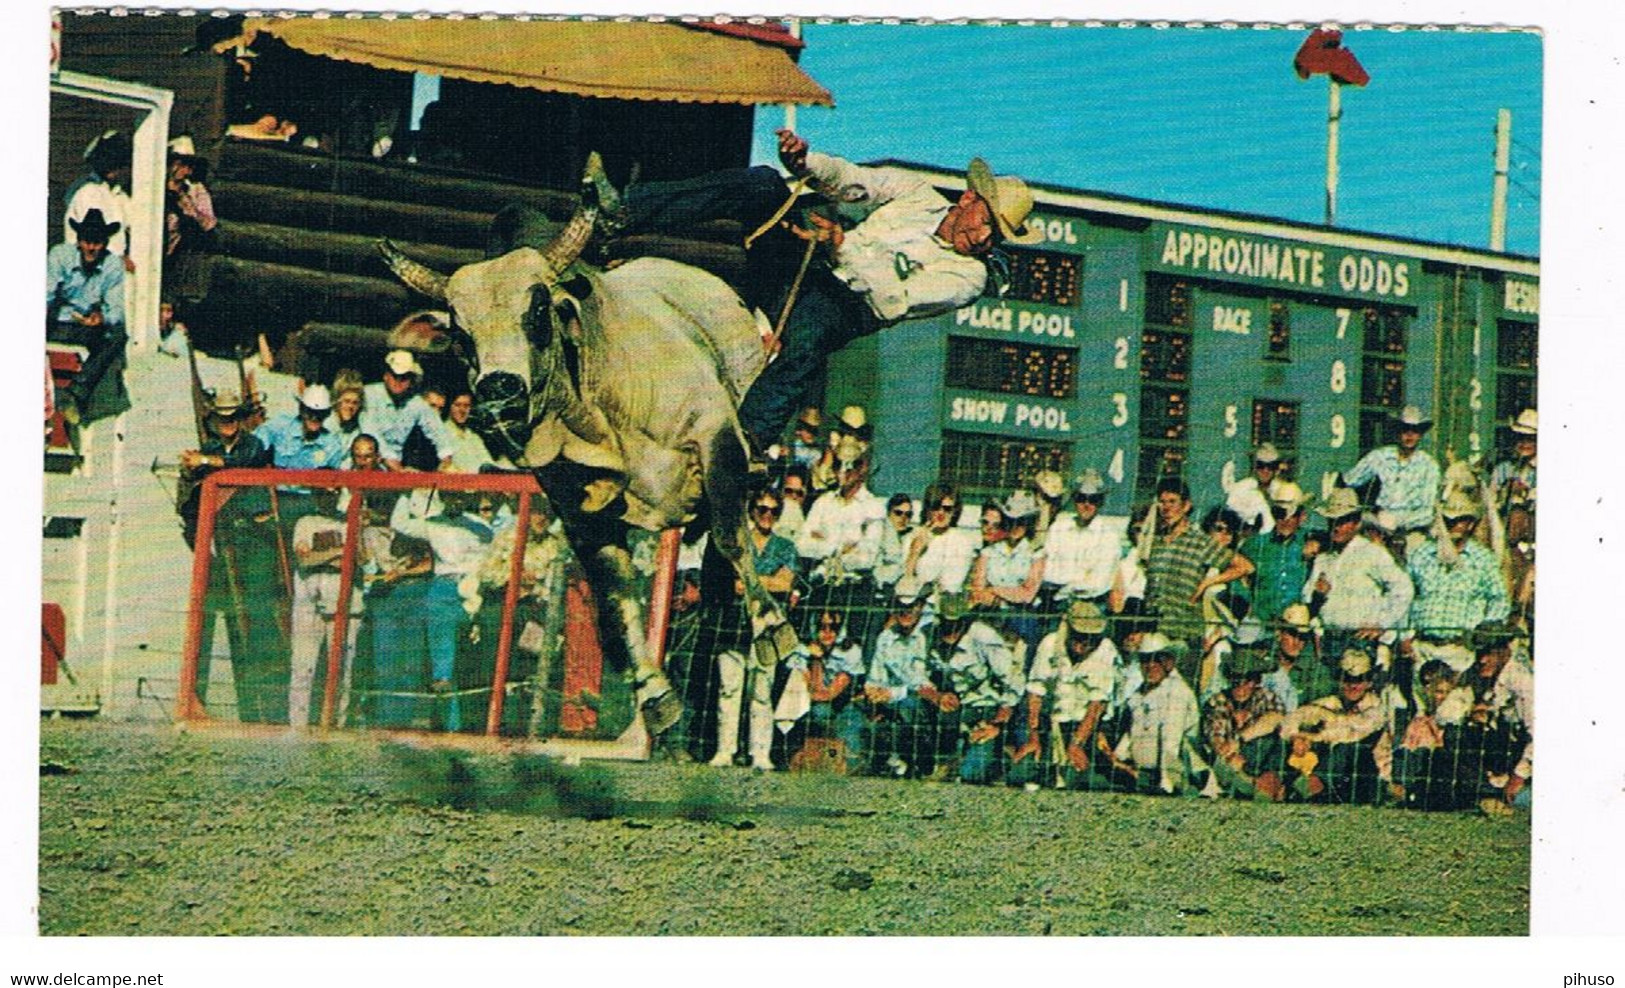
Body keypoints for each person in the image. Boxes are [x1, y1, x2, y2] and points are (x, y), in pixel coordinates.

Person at [587, 131, 1041, 447]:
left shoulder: (970, 278)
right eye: (987, 223)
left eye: (996, 236)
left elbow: (893, 299)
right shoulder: (917, 194)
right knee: (763, 183)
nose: (984, 239)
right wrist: (807, 163)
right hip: (809, 266)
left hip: (846, 307)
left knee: (810, 333)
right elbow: (856, 180)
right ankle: (622, 213)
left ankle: (747, 445)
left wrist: (842, 247)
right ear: (968, 200)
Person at [708, 489, 799, 769]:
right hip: (734, 622)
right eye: (762, 509)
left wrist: (750, 581)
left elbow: (785, 584)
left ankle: (760, 752)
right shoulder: (737, 542)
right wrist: (766, 580)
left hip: (766, 624)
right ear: (751, 511)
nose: (767, 515)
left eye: (774, 510)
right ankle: (726, 749)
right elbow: (729, 583)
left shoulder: (785, 546)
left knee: (762, 689)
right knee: (730, 687)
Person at [1144, 478, 1255, 683]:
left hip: (1185, 634)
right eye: (1162, 502)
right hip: (1157, 630)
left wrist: (1206, 583)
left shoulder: (1199, 541)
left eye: (1172, 502)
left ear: (1186, 506)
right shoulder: (1157, 541)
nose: (1166, 508)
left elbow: (1245, 566)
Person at [1012, 599, 1123, 790]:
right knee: (1020, 775)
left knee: (1080, 782)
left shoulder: (1106, 650)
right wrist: (1033, 736)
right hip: (1052, 723)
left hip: (1089, 727)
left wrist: (1076, 744)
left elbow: (1097, 705)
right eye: (1079, 636)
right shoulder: (1050, 643)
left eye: (1090, 638)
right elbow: (1036, 693)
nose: (1084, 644)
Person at [1404, 490, 1511, 687]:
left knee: (1455, 707)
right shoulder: (1421, 554)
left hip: (1461, 649)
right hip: (1423, 647)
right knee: (1422, 707)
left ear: (1470, 523)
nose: (1452, 525)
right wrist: (1405, 635)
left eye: (1459, 520)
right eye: (1447, 519)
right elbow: (1405, 594)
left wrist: (1483, 632)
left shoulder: (1483, 559)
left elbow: (1499, 599)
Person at [1305, 487, 1413, 664]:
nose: (1336, 527)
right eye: (1332, 521)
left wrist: (1382, 623)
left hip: (1359, 639)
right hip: (1329, 639)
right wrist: (1317, 597)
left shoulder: (1372, 553)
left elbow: (1404, 588)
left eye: (1342, 521)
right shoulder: (1323, 558)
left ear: (1356, 523)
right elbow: (1308, 596)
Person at [287, 491, 366, 727]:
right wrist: (340, 551)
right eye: (322, 493)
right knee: (303, 665)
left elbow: (360, 559)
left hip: (345, 600)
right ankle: (298, 724)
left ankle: (336, 723)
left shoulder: (351, 521)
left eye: (332, 492)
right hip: (309, 600)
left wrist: (327, 556)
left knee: (342, 666)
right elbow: (305, 559)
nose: (326, 498)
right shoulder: (306, 522)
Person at [931, 593, 1026, 785]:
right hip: (953, 706)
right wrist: (937, 695)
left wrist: (996, 724)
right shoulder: (932, 635)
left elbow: (1013, 680)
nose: (951, 630)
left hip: (989, 709)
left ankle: (1003, 750)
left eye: (957, 623)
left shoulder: (983, 636)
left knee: (971, 775)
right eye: (947, 623)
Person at [1280, 648, 1394, 804]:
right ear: (1340, 680)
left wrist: (1313, 736)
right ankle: (1278, 786)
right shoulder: (1330, 702)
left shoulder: (1377, 707)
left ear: (1368, 682)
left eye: (1359, 680)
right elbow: (1293, 717)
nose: (1353, 686)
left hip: (1367, 776)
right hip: (1332, 773)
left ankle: (1300, 790)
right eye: (1347, 679)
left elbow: (1352, 734)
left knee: (1345, 749)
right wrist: (1295, 737)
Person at [46, 209, 127, 425]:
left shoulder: (112, 265)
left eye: (97, 242)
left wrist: (102, 318)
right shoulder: (60, 255)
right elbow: (45, 294)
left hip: (85, 328)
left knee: (118, 334)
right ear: (79, 241)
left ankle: (76, 392)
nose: (91, 248)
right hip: (55, 322)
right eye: (87, 241)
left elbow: (116, 311)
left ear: (105, 243)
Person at [1101, 633, 1203, 795]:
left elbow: (1172, 740)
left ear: (1169, 662)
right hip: (1141, 772)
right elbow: (1133, 729)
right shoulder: (1140, 692)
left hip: (1175, 775)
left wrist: (1166, 784)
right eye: (1145, 660)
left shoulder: (1177, 692)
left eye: (1157, 660)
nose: (1150, 665)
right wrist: (1117, 757)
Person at [861, 583, 945, 777]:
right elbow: (876, 672)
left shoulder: (930, 633)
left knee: (908, 706)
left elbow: (924, 682)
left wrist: (891, 693)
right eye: (900, 606)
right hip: (892, 695)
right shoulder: (886, 636)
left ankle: (922, 764)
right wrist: (873, 690)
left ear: (922, 605)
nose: (906, 611)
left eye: (912, 606)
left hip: (924, 698)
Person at [1456, 620, 1533, 815]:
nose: (1481, 660)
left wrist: (1518, 776)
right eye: (1479, 654)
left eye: (1487, 654)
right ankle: (1488, 794)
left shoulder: (1522, 682)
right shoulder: (1496, 678)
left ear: (1503, 651)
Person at [1342, 405, 1443, 546]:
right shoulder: (1381, 456)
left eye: (1415, 431)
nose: (1410, 435)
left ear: (1420, 434)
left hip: (1413, 531)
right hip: (1380, 525)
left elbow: (1427, 509)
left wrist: (1400, 523)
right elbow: (1350, 480)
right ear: (1397, 432)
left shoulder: (1429, 466)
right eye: (1405, 429)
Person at [1200, 644, 1287, 800]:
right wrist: (1232, 753)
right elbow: (1218, 742)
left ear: (1256, 680)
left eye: (1247, 680)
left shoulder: (1267, 697)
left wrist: (1240, 738)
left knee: (1273, 742)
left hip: (1262, 761)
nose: (1241, 686)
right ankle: (1257, 787)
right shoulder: (1216, 702)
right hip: (1232, 765)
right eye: (1236, 679)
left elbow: (1276, 718)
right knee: (1224, 764)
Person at [968, 490, 1046, 658]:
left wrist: (994, 590)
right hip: (991, 618)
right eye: (1012, 520)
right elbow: (978, 591)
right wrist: (1006, 594)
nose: (1016, 526)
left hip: (1021, 620)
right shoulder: (989, 552)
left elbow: (1027, 594)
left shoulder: (1036, 554)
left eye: (1021, 521)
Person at [1038, 469, 1128, 611]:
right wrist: (1080, 576)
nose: (1086, 504)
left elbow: (1099, 582)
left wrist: (1066, 584)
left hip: (1090, 606)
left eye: (1093, 499)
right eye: (1081, 498)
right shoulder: (1059, 528)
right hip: (1054, 603)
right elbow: (1048, 571)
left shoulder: (1109, 535)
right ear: (1074, 500)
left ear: (1100, 502)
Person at [791, 608, 868, 773]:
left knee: (849, 727)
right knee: (817, 713)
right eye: (821, 627)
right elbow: (811, 691)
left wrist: (816, 660)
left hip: (846, 702)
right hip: (811, 705)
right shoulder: (801, 650)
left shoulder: (851, 650)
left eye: (833, 628)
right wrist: (816, 659)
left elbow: (828, 694)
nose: (827, 632)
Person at [1238, 480, 1317, 628]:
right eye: (1280, 513)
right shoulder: (1255, 545)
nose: (1285, 520)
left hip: (1296, 628)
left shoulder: (1310, 542)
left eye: (1291, 515)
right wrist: (1247, 602)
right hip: (1261, 624)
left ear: (1302, 516)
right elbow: (1235, 574)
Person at [363, 347, 451, 471]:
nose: (398, 382)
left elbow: (436, 429)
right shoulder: (369, 395)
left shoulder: (415, 402)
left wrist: (446, 459)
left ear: (411, 380)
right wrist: (393, 464)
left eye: (404, 377)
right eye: (395, 376)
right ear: (386, 375)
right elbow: (371, 432)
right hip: (366, 463)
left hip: (396, 467)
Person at [64, 130, 132, 265]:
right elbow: (90, 237)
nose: (114, 167)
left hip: (113, 270)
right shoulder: (87, 190)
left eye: (118, 161)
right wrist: (117, 258)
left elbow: (134, 225)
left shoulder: (119, 194)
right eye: (109, 160)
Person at [903, 481, 979, 600]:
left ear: (955, 511)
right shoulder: (912, 537)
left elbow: (952, 584)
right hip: (911, 606)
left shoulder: (963, 541)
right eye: (935, 507)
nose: (941, 513)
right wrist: (915, 552)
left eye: (947, 508)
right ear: (928, 509)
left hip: (942, 606)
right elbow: (903, 581)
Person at [1261, 603, 1335, 715]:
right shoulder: (1262, 662)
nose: (1297, 643)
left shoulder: (1316, 671)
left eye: (1303, 637)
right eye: (1292, 634)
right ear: (1279, 633)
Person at [164, 136, 217, 256]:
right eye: (180, 165)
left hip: (181, 250)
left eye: (188, 166)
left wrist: (183, 200)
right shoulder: (155, 188)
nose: (185, 171)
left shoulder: (195, 189)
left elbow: (208, 224)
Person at [1221, 442, 1284, 536]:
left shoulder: (1281, 489)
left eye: (1270, 466)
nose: (1265, 471)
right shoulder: (1241, 488)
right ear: (1254, 467)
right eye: (1261, 466)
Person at [442, 390, 498, 473]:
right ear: (449, 407)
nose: (462, 410)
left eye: (466, 406)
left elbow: (487, 462)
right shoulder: (441, 433)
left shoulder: (473, 436)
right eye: (457, 405)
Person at [872, 493, 915, 592]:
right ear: (888, 513)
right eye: (898, 513)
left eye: (908, 514)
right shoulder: (879, 532)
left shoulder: (911, 536)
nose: (903, 518)